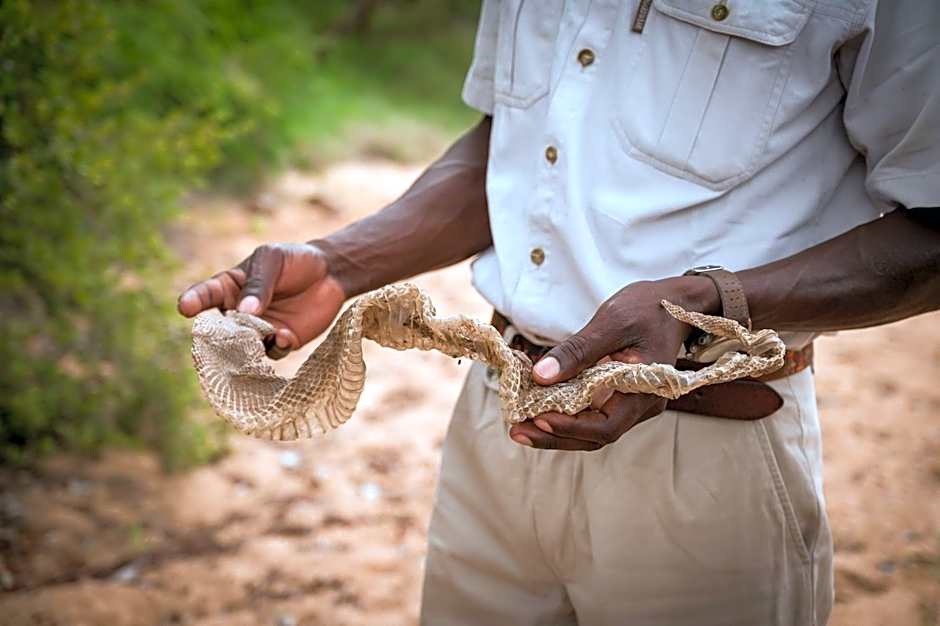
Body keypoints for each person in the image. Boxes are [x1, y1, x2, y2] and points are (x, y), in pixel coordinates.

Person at [178, 1, 940, 624]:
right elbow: (511, 149)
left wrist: (704, 305)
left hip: (709, 465)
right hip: (493, 432)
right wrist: (343, 263)